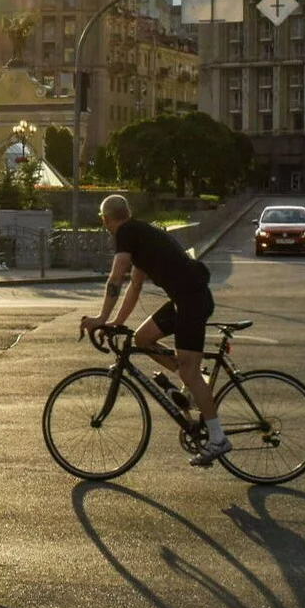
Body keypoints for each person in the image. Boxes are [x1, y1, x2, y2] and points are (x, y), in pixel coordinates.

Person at [79, 192, 230, 467]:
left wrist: (101, 317)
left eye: (104, 222)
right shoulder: (140, 234)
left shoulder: (125, 233)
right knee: (142, 338)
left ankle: (217, 437)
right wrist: (117, 322)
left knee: (188, 368)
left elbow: (116, 276)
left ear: (105, 220)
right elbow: (134, 286)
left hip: (191, 301)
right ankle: (196, 384)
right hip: (184, 299)